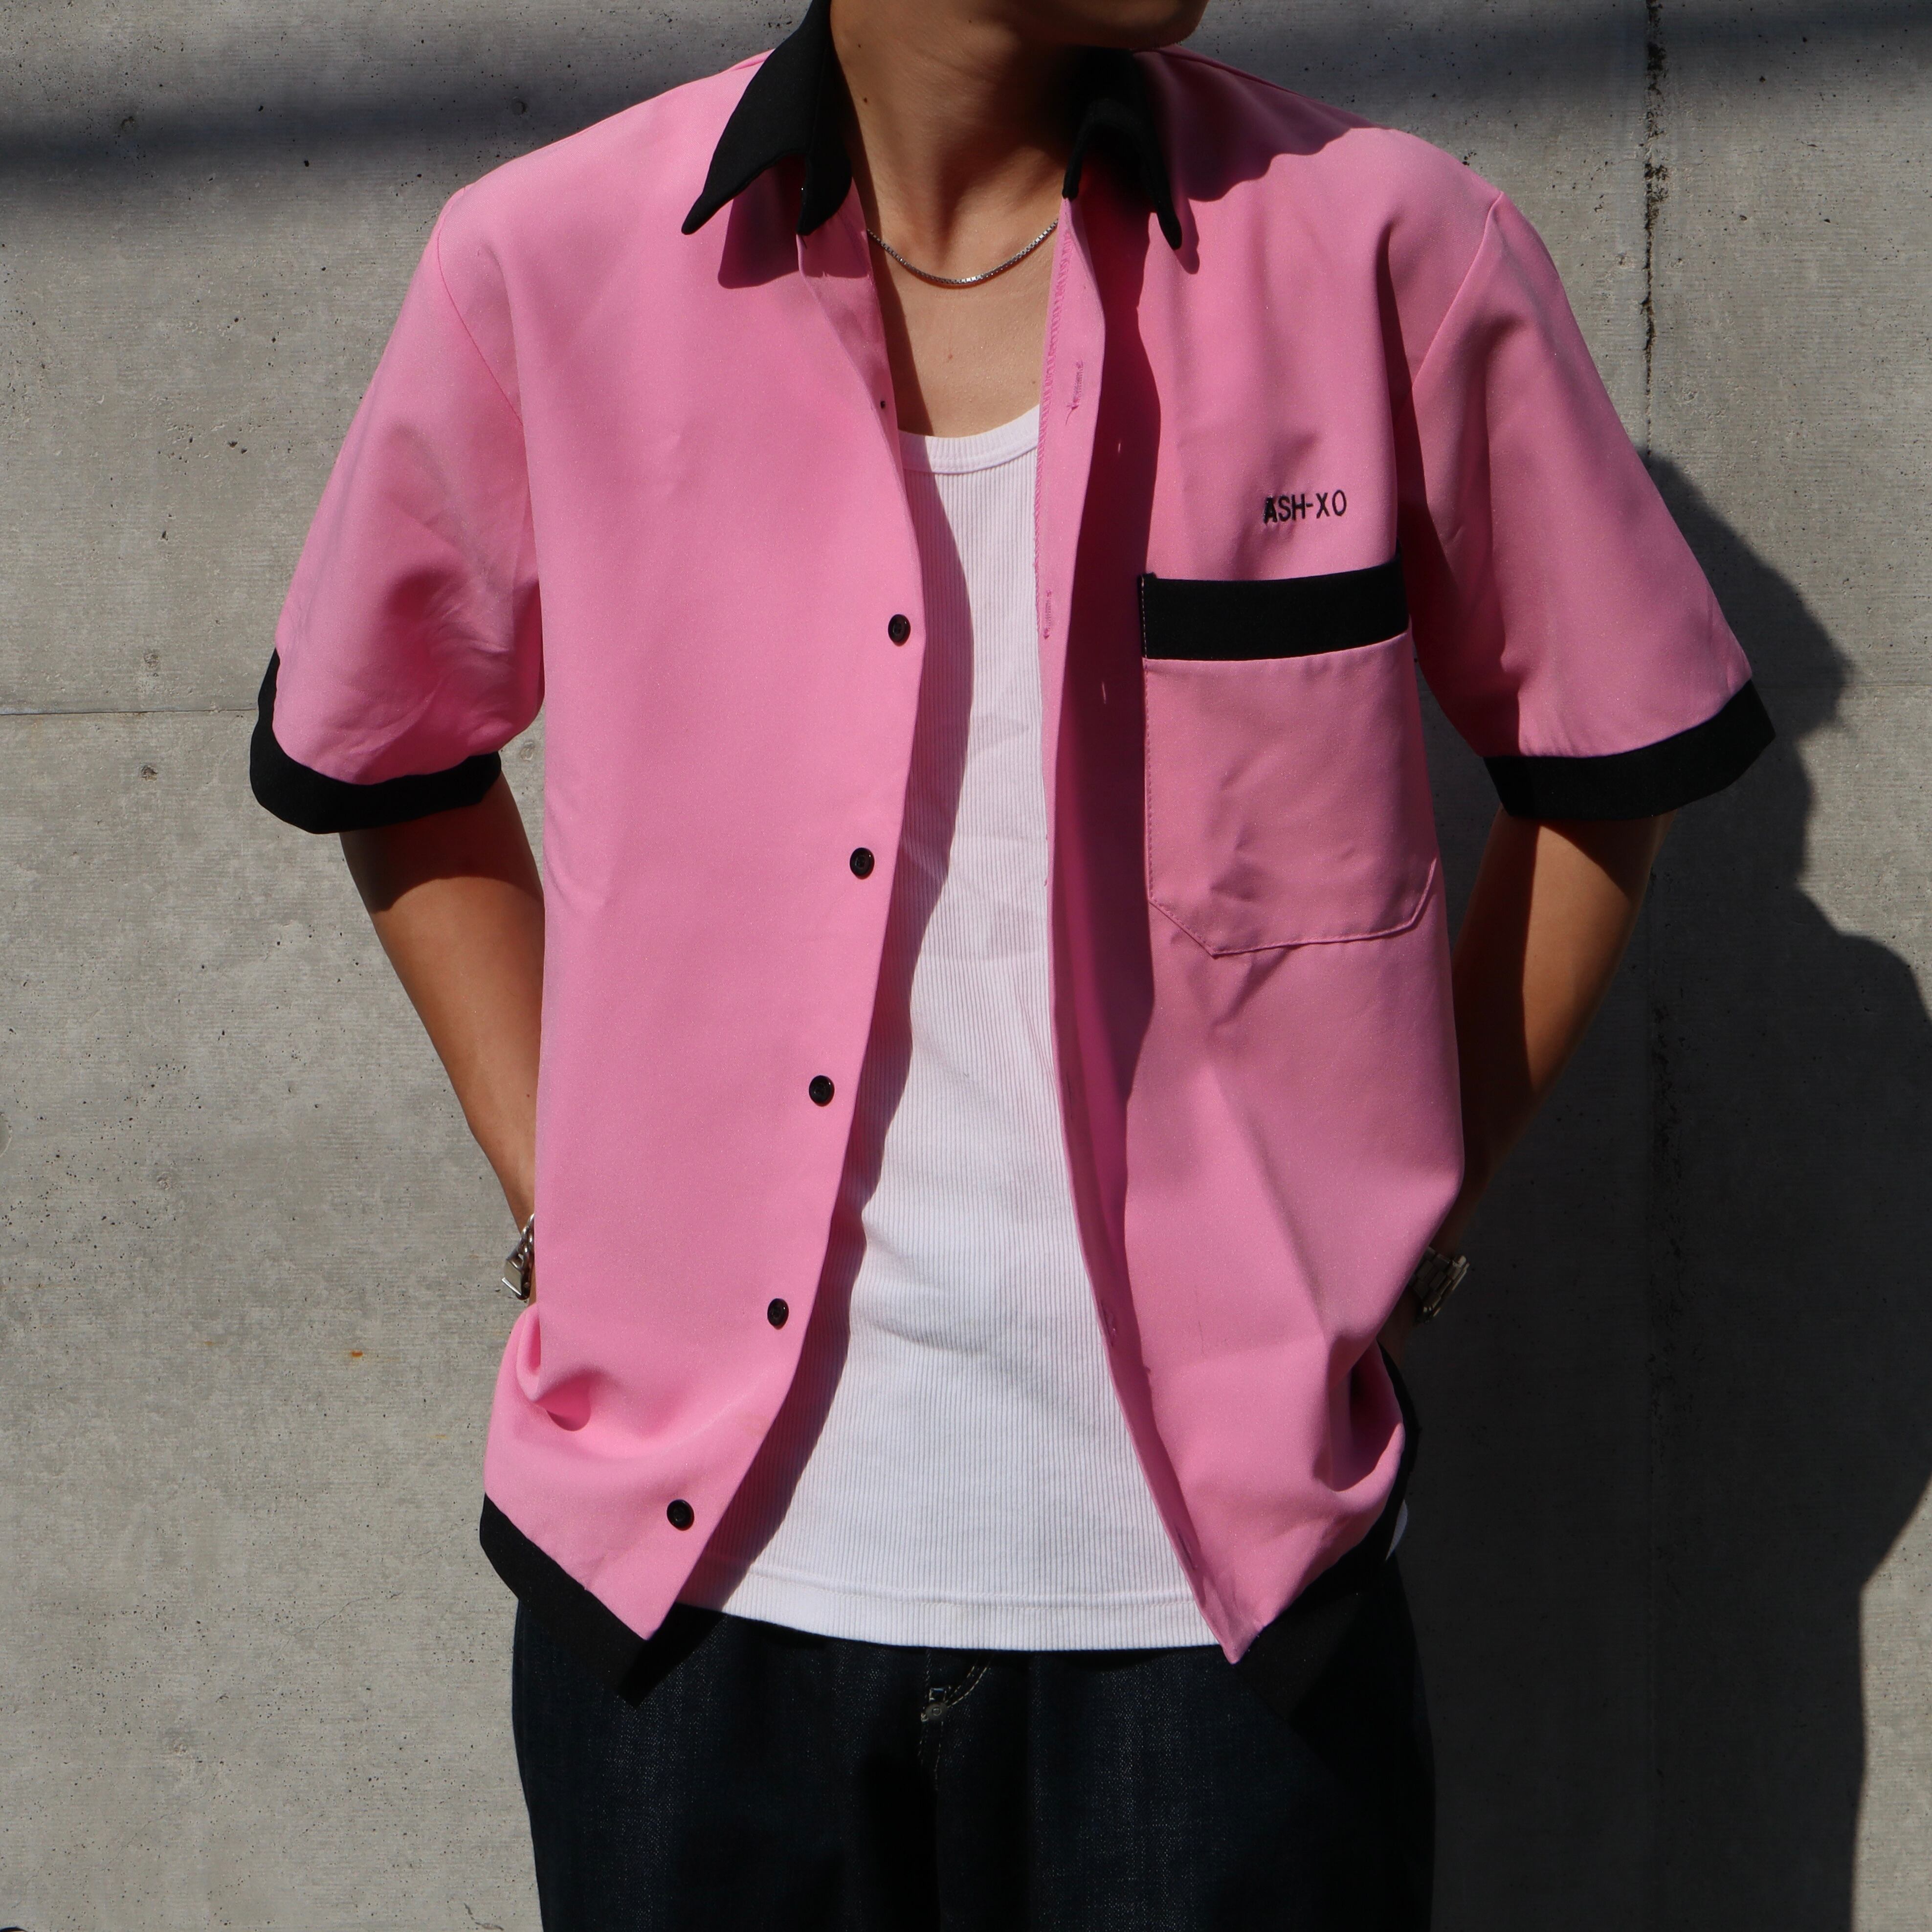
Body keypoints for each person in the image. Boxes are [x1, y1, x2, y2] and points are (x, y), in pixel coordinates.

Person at [249, 0, 1772, 1923]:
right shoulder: (550, 261)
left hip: (1224, 1623)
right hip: (689, 1614)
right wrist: (569, 1180)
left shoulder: (1380, 244)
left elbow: (1607, 753)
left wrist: (1403, 1204)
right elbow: (388, 746)